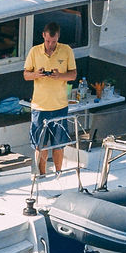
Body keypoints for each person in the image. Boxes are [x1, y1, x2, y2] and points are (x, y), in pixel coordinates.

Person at [24, 19, 76, 176]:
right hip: (39, 107)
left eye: (53, 41)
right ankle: (42, 174)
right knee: (40, 145)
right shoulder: (34, 51)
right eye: (47, 41)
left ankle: (58, 173)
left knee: (58, 145)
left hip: (60, 106)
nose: (50, 45)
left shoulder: (66, 50)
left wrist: (59, 76)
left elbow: (73, 75)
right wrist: (36, 74)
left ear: (58, 37)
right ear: (43, 36)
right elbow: (26, 75)